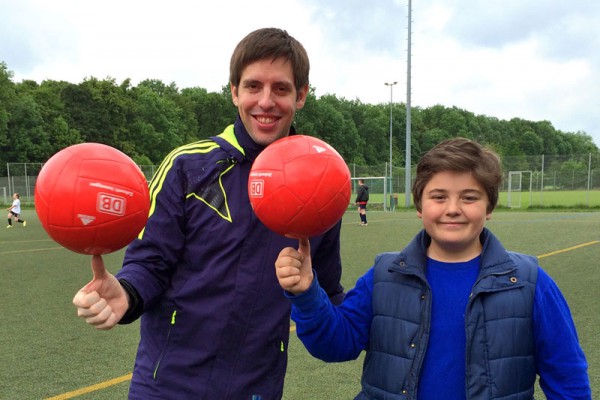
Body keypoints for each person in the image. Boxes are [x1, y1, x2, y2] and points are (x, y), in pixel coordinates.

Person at [72, 28, 345, 400]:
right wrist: (127, 292)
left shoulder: (322, 185)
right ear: (234, 91)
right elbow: (151, 261)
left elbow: (326, 293)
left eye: (280, 89)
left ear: (301, 96)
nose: (265, 101)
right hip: (167, 386)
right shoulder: (187, 166)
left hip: (257, 388)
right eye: (253, 87)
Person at [275, 138, 591, 399]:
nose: (452, 209)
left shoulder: (529, 282)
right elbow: (335, 344)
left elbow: (568, 379)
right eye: (438, 197)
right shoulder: (385, 275)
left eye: (469, 197)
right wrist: (306, 293)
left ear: (489, 207)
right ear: (419, 205)